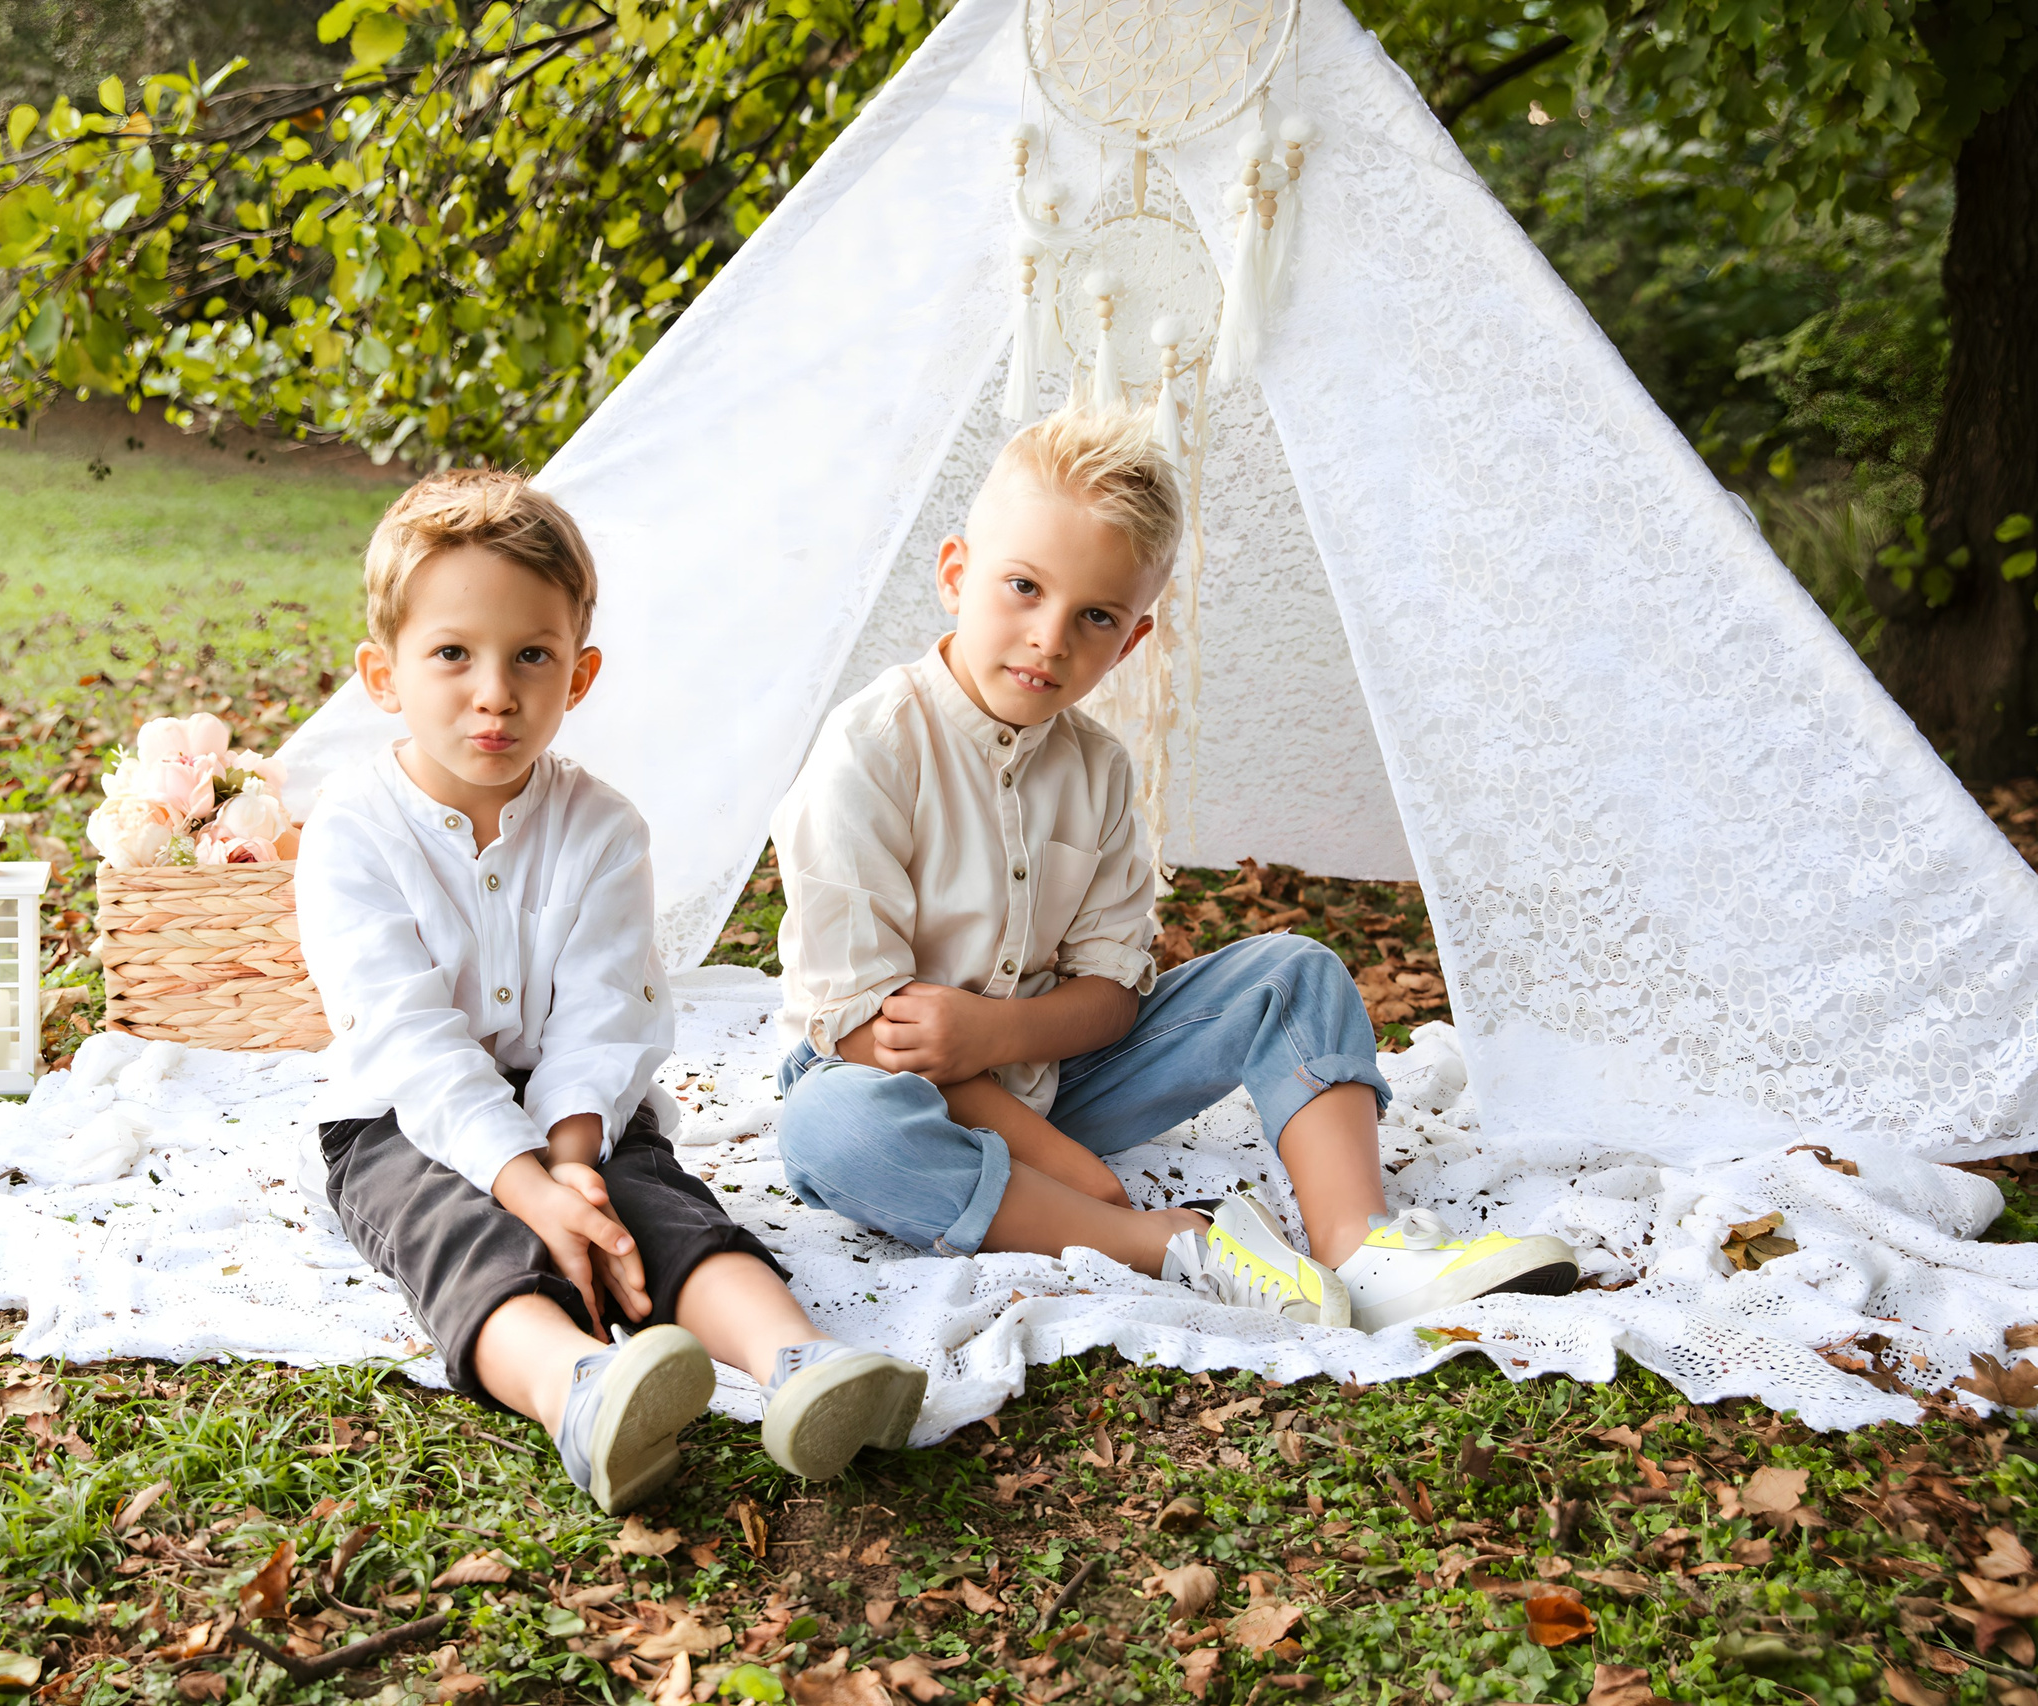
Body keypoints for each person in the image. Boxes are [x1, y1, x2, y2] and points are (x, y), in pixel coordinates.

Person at [767, 407, 1577, 1333]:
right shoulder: (869, 750)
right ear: (957, 575)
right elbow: (870, 1031)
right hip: (886, 1082)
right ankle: (1168, 1245)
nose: (1050, 638)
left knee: (1292, 972)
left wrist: (999, 1034)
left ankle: (1360, 1242)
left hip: (1048, 1073)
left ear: (1134, 640)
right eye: (1022, 587)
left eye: (1095, 616)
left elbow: (1110, 998)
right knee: (834, 1132)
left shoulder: (1099, 769)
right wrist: (1083, 1181)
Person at [294, 470, 925, 1513]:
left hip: (577, 1107)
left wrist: (573, 1163)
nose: (494, 690)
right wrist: (524, 1185)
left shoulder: (602, 826)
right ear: (382, 673)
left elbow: (605, 1014)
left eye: (530, 655)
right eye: (452, 653)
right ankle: (577, 1385)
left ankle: (799, 1361)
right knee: (465, 1234)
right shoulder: (352, 830)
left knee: (661, 1211)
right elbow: (408, 1037)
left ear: (579, 673)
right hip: (397, 1118)